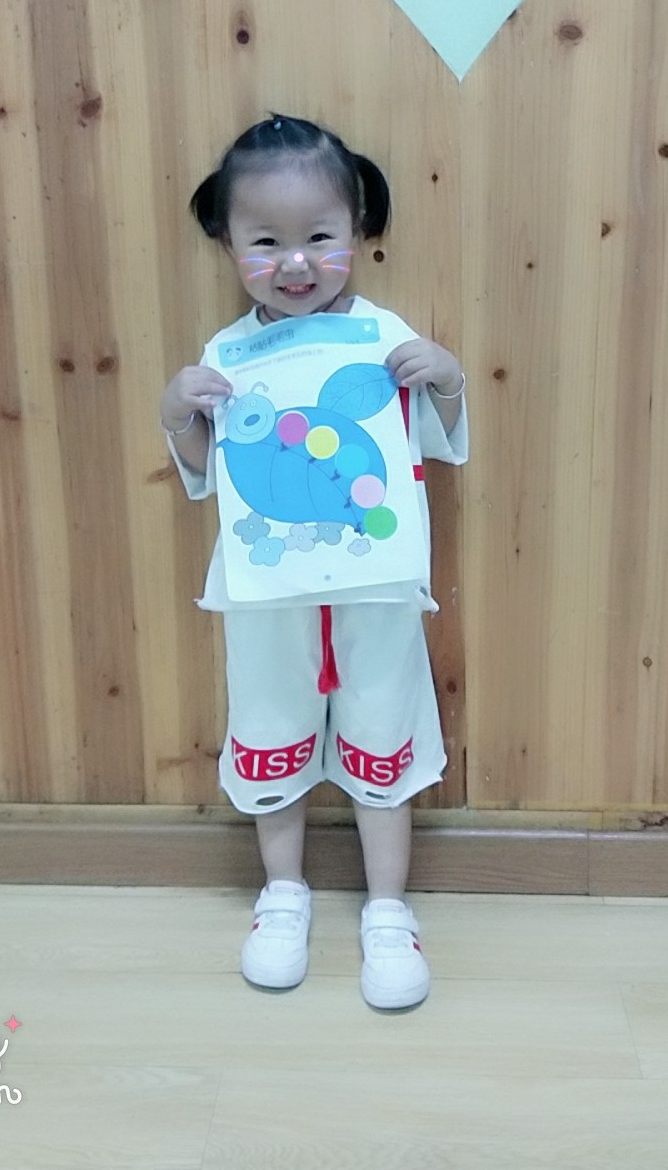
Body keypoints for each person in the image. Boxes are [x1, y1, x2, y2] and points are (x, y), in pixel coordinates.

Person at [160, 114, 468, 1009]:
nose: (295, 263)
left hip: (375, 592)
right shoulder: (229, 357)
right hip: (267, 598)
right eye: (265, 242)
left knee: (382, 724)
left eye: (319, 237)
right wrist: (178, 412)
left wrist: (446, 376)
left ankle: (387, 909)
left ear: (358, 232)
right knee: (269, 726)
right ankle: (283, 894)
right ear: (227, 243)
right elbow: (206, 472)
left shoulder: (382, 337)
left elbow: (435, 439)